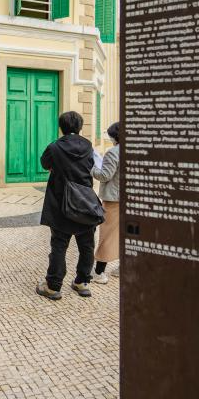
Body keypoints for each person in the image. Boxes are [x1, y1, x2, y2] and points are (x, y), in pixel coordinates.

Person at [37, 111, 98, 300]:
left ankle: (53, 287)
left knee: (59, 245)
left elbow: (44, 163)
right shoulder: (88, 146)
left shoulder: (54, 147)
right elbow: (92, 165)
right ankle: (82, 282)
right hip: (85, 201)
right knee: (86, 245)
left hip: (61, 202)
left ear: (61, 127)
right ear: (80, 127)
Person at [91, 122, 120, 284]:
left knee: (106, 236)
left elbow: (105, 175)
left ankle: (99, 272)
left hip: (113, 200)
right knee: (126, 235)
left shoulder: (113, 153)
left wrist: (92, 167)